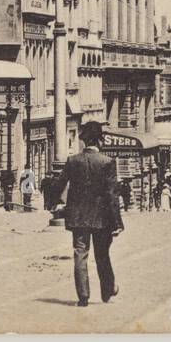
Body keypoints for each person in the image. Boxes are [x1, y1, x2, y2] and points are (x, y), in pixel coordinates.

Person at [55, 122, 122, 307]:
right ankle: (107, 291)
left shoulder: (72, 161)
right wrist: (117, 222)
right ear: (100, 140)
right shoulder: (107, 162)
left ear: (84, 141)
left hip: (78, 216)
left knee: (80, 254)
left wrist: (54, 203)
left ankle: (83, 296)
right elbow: (111, 195)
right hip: (102, 218)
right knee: (102, 254)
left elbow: (60, 184)